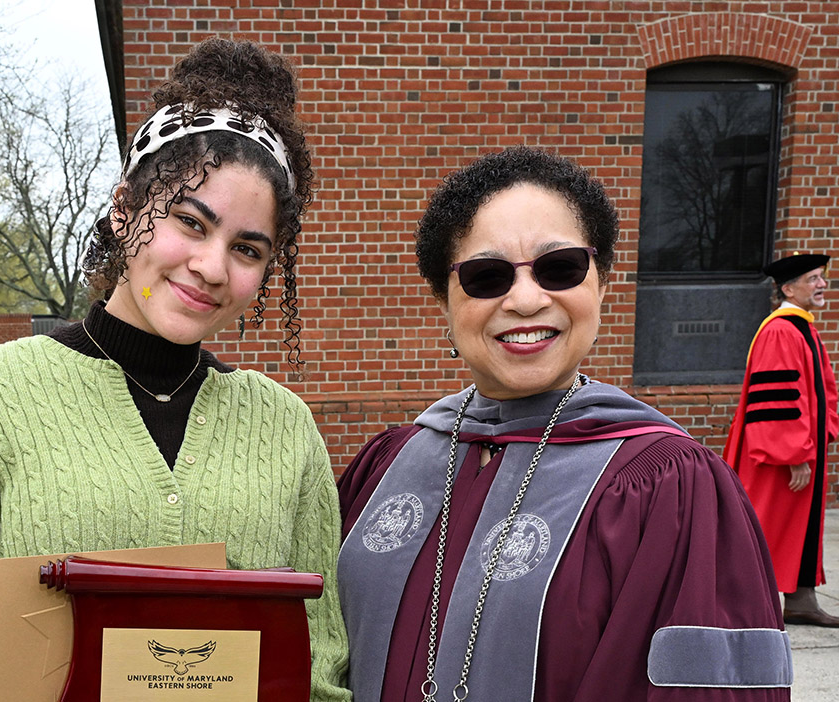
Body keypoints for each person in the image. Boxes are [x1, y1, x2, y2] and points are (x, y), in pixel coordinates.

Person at [0, 38, 350, 702]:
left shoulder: (287, 429)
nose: (212, 267)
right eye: (191, 222)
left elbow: (320, 671)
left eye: (247, 248)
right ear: (125, 208)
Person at [336, 147, 791, 701]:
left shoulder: (670, 485)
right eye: (487, 276)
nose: (526, 299)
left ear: (601, 284)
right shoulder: (386, 466)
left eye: (561, 268)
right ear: (445, 300)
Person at [724, 253, 839, 627]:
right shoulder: (780, 331)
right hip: (778, 456)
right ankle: (741, 605)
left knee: (796, 529)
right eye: (813, 279)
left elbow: (819, 392)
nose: (822, 285)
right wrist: (794, 453)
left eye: (822, 278)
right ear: (788, 288)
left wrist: (823, 436)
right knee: (766, 524)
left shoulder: (803, 328)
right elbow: (777, 401)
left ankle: (801, 600)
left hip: (801, 451)